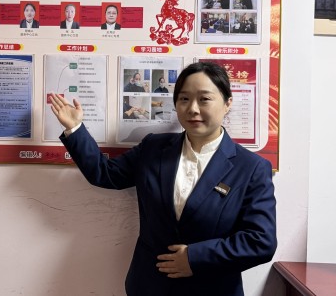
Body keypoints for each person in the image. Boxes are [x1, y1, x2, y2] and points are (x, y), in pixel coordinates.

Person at [48, 62, 276, 296]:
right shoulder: (154, 148)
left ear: (227, 103)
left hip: (212, 288)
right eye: (184, 99)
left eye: (204, 99)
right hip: (149, 285)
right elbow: (105, 174)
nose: (193, 109)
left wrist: (194, 258)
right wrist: (75, 128)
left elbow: (261, 242)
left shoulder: (251, 168)